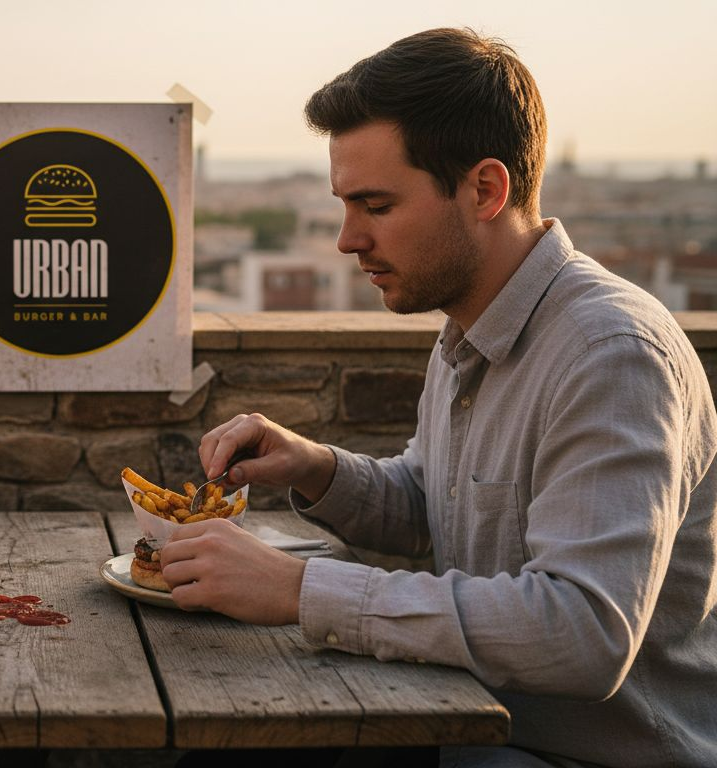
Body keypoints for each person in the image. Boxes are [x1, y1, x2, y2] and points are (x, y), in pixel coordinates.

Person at [161, 28, 717, 767]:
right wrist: (314, 466)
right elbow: (437, 508)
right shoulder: (469, 324)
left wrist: (303, 590)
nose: (346, 239)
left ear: (485, 189)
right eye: (345, 205)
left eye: (376, 205)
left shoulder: (610, 356)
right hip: (471, 717)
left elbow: (584, 631)